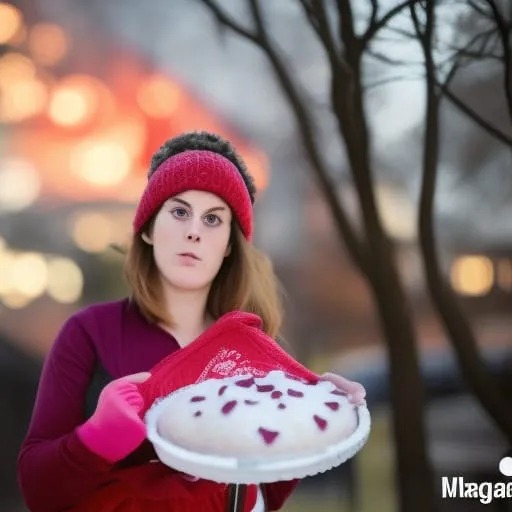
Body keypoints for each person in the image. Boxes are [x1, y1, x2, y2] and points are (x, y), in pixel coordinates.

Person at [17, 131, 366, 512]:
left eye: (213, 219)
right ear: (149, 228)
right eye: (180, 212)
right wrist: (96, 437)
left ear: (230, 245)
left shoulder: (262, 354)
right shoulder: (90, 333)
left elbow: (267, 496)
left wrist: (313, 411)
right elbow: (38, 491)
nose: (194, 231)